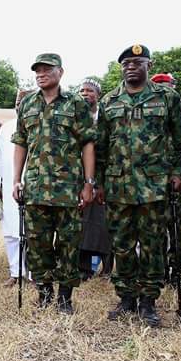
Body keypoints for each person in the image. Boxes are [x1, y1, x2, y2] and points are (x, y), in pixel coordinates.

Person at [97, 44, 181, 327]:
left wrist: (177, 174)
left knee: (152, 245)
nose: (131, 66)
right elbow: (101, 146)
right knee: (122, 244)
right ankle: (126, 298)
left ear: (149, 64)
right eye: (126, 63)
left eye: (137, 61)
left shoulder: (167, 97)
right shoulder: (109, 101)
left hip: (155, 185)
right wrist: (99, 182)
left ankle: (148, 301)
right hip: (119, 185)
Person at [12, 54, 96, 313]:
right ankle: (45, 292)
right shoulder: (27, 105)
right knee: (37, 243)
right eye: (37, 70)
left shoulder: (76, 104)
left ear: (60, 72)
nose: (41, 73)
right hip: (35, 187)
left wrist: (88, 182)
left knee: (68, 243)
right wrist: (16, 179)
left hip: (67, 187)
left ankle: (65, 297)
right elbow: (21, 143)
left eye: (47, 69)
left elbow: (88, 144)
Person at [149, 73, 181, 283]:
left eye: (169, 85)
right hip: (151, 181)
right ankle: (160, 270)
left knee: (177, 227)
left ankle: (177, 269)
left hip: (176, 179)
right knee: (155, 230)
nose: (167, 90)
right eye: (161, 86)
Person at [0, 89, 33, 287]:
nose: (20, 104)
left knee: (33, 231)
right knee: (10, 231)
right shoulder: (6, 127)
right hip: (10, 185)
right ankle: (16, 272)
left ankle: (33, 273)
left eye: (24, 101)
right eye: (17, 101)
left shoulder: (40, 123)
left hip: (35, 185)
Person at [77, 78, 112, 278]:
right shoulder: (75, 115)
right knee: (83, 225)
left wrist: (100, 182)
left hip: (103, 178)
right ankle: (84, 268)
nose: (85, 94)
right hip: (79, 178)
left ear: (98, 94)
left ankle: (107, 267)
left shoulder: (105, 116)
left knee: (103, 224)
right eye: (82, 90)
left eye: (90, 90)